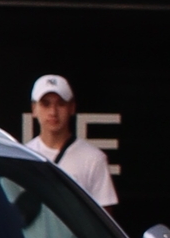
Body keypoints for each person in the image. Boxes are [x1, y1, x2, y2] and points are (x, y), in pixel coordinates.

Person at [23, 74, 118, 213]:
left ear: (72, 108)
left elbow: (103, 221)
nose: (53, 112)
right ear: (34, 109)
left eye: (60, 103)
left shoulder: (93, 159)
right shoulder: (23, 156)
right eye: (46, 104)